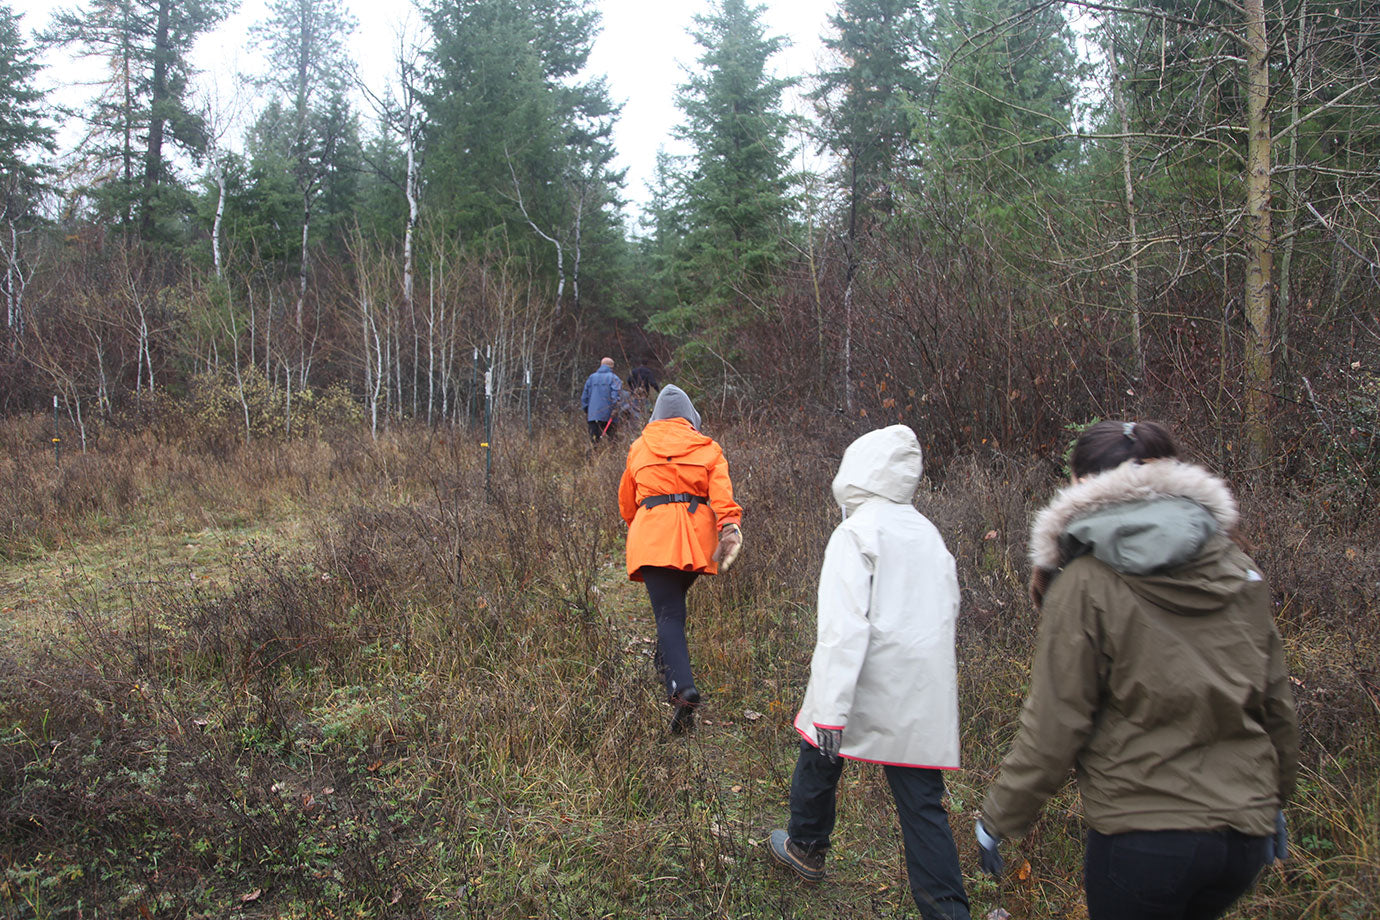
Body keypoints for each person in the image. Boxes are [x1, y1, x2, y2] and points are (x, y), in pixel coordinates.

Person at [975, 420, 1298, 920]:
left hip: (1144, 838)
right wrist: (1273, 800)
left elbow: (1056, 721)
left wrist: (999, 817)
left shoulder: (1085, 581)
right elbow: (1275, 702)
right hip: (1242, 837)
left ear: (1085, 487)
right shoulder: (1238, 568)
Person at [767, 425, 970, 920]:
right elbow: (949, 611)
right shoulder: (928, 533)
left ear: (857, 470)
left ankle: (806, 847)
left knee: (819, 751)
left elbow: (842, 631)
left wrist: (831, 714)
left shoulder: (855, 532)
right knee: (923, 804)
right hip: (921, 690)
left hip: (862, 680)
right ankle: (947, 912)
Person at [618, 385, 743, 734]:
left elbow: (627, 504)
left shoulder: (639, 447)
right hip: (696, 542)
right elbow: (722, 496)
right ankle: (664, 663)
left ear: (656, 415)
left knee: (668, 614)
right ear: (691, 417)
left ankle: (681, 689)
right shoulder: (708, 448)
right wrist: (729, 527)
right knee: (673, 610)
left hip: (652, 537)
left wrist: (644, 525)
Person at [581, 356, 622, 442]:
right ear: (612, 367)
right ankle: (610, 455)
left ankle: (593, 455)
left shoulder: (591, 378)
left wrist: (587, 411)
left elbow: (584, 397)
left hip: (593, 416)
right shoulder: (614, 378)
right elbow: (616, 396)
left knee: (594, 443)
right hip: (610, 416)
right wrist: (615, 409)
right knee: (613, 442)